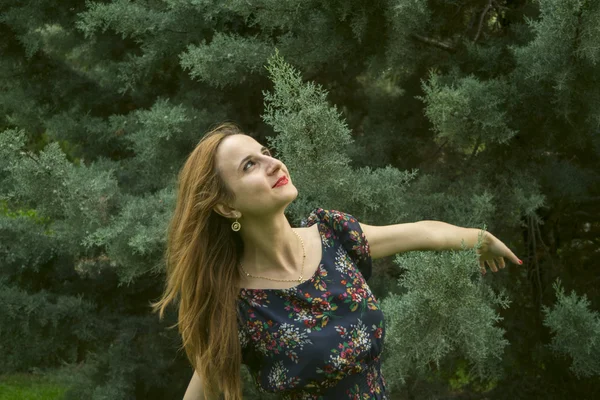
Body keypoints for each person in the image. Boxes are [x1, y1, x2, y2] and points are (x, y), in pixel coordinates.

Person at [151, 123, 522, 400]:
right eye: (250, 165)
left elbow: (422, 233)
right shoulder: (237, 305)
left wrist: (479, 238)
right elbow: (200, 391)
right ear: (226, 206)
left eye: (266, 151)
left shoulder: (331, 235)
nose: (273, 162)